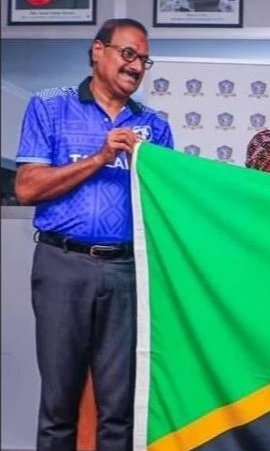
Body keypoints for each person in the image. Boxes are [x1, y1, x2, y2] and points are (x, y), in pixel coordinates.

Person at [14, 18, 173, 450]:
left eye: (143, 59)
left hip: (126, 273)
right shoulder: (49, 106)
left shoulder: (155, 126)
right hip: (62, 266)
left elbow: (170, 202)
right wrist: (100, 157)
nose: (136, 66)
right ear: (97, 50)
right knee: (59, 407)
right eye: (128, 54)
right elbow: (27, 188)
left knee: (119, 409)